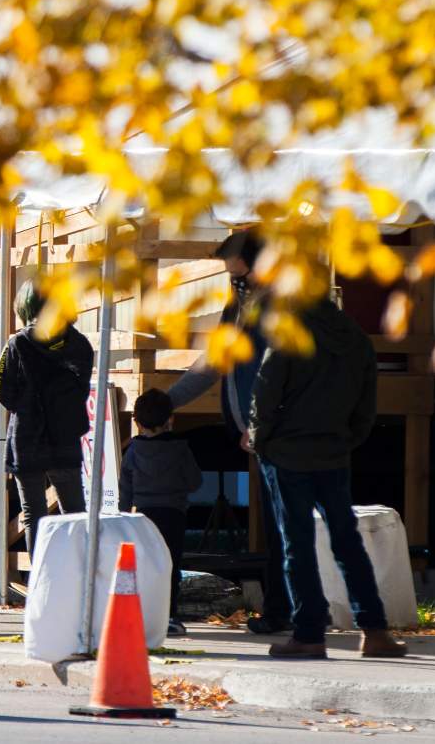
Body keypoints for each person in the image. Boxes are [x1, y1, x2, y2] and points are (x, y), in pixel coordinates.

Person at [249, 296, 408, 659]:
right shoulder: (356, 338)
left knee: (297, 544)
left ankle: (309, 633)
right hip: (334, 452)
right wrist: (346, 439)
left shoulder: (289, 333)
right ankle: (374, 629)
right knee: (346, 540)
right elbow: (367, 403)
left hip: (288, 453)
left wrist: (260, 441)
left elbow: (266, 389)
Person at [167, 229, 293, 635]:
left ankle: (285, 610)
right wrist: (167, 402)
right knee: (278, 525)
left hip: (278, 433)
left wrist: (259, 424)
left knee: (285, 526)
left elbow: (277, 376)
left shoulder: (277, 308)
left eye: (237, 273)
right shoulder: (237, 306)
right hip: (257, 434)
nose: (232, 280)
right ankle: (284, 608)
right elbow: (213, 363)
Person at [0, 280, 93, 558]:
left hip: (27, 438)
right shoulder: (80, 344)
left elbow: (0, 386)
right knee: (73, 512)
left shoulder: (18, 343)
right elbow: (81, 389)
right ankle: (79, 574)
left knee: (33, 514)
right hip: (64, 438)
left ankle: (40, 580)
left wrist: (25, 407)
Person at [119, 388, 203, 636]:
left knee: (145, 564)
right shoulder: (180, 449)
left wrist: (123, 515)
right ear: (171, 419)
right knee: (171, 565)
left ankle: (144, 613)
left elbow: (125, 489)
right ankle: (170, 615)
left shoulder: (133, 451)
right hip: (174, 513)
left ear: (137, 421)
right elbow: (195, 481)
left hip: (144, 515)